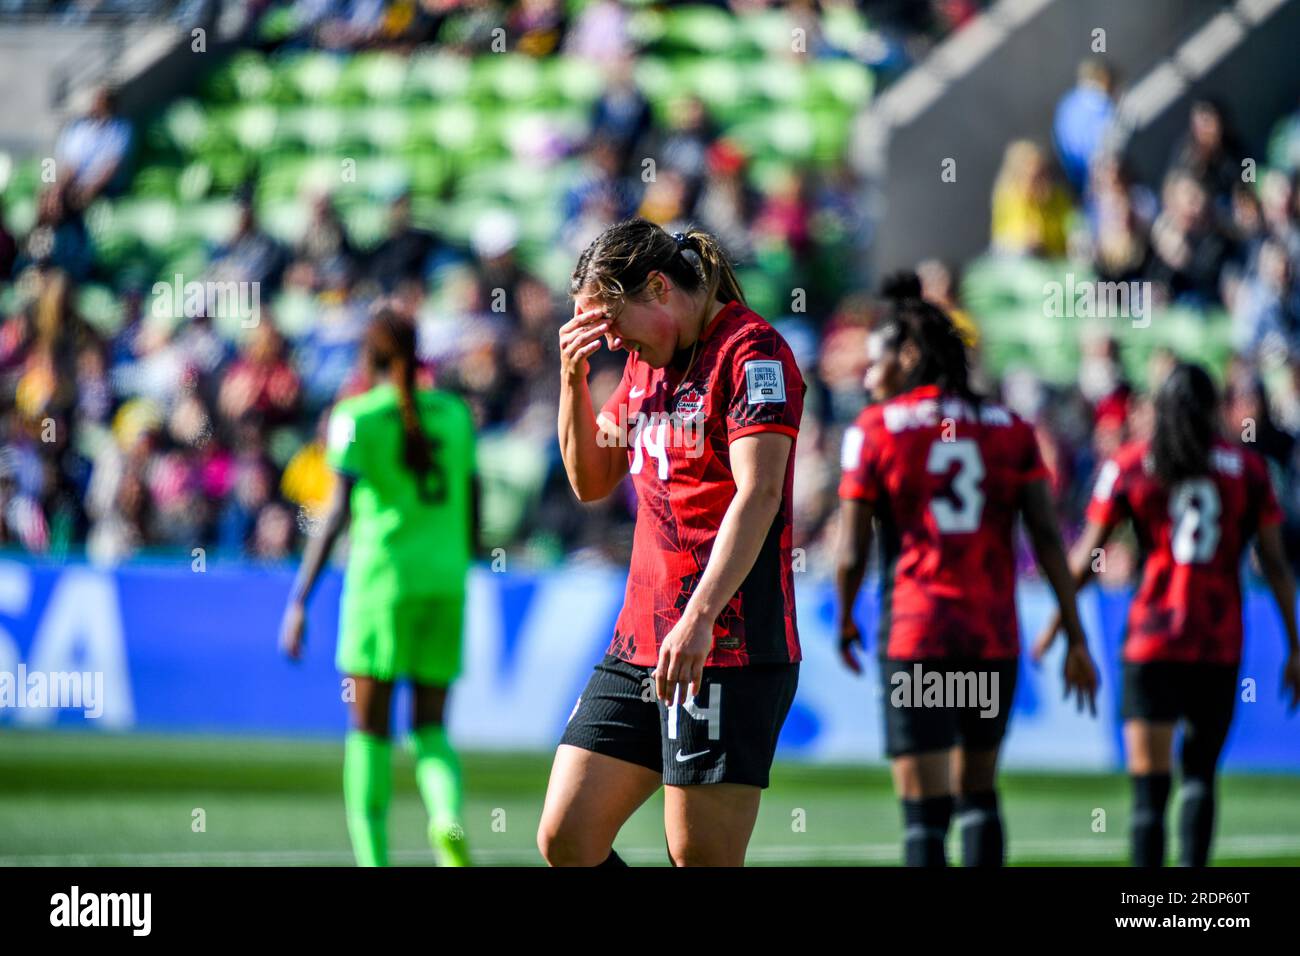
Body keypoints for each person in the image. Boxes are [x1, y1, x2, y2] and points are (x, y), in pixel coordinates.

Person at [538, 219, 805, 867]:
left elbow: (760, 495)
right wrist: (573, 377)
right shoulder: (639, 365)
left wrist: (701, 617)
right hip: (640, 645)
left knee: (697, 858)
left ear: (657, 286)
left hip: (726, 644)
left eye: (613, 321)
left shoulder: (753, 353)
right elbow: (590, 479)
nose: (611, 339)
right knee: (567, 837)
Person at [836, 296, 1098, 867]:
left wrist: (845, 617)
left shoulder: (876, 428)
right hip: (989, 636)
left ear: (910, 354)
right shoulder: (1012, 428)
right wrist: (1076, 635)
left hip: (917, 635)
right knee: (978, 792)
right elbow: (1050, 542)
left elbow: (851, 549)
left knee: (924, 813)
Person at [1035, 362, 1300, 866]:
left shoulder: (1131, 464)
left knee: (1148, 794)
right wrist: (1295, 646)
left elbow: (1087, 556)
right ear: (1214, 410)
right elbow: (1277, 567)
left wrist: (1059, 627)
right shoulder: (1247, 470)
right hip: (1216, 642)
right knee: (1199, 778)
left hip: (1151, 642)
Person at [279, 308, 478, 867]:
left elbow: (336, 513)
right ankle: (446, 821)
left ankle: (374, 859)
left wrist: (299, 600)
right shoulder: (457, 415)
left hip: (381, 584)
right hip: (445, 581)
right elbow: (474, 510)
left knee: (369, 727)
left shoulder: (356, 417)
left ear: (370, 358)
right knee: (432, 726)